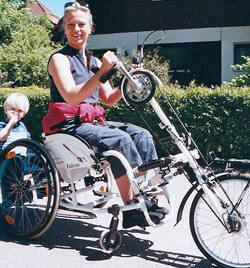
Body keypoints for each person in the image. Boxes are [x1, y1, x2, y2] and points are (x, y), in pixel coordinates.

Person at [42, 2, 167, 228]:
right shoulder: (59, 59)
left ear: (91, 28)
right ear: (64, 28)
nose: (76, 29)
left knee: (142, 135)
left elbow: (108, 98)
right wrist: (101, 72)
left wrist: (129, 81)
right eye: (71, 25)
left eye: (82, 24)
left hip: (91, 123)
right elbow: (71, 97)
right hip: (68, 125)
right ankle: (131, 206)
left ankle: (143, 195)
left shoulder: (95, 61)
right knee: (119, 141)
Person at [0, 93, 32, 205]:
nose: (16, 113)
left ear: (24, 113)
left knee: (40, 158)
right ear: (6, 109)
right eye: (12, 109)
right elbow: (2, 137)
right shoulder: (2, 125)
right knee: (15, 158)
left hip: (23, 158)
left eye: (19, 111)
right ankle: (10, 196)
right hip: (7, 159)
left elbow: (28, 139)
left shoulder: (22, 126)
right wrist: (11, 122)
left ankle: (43, 187)